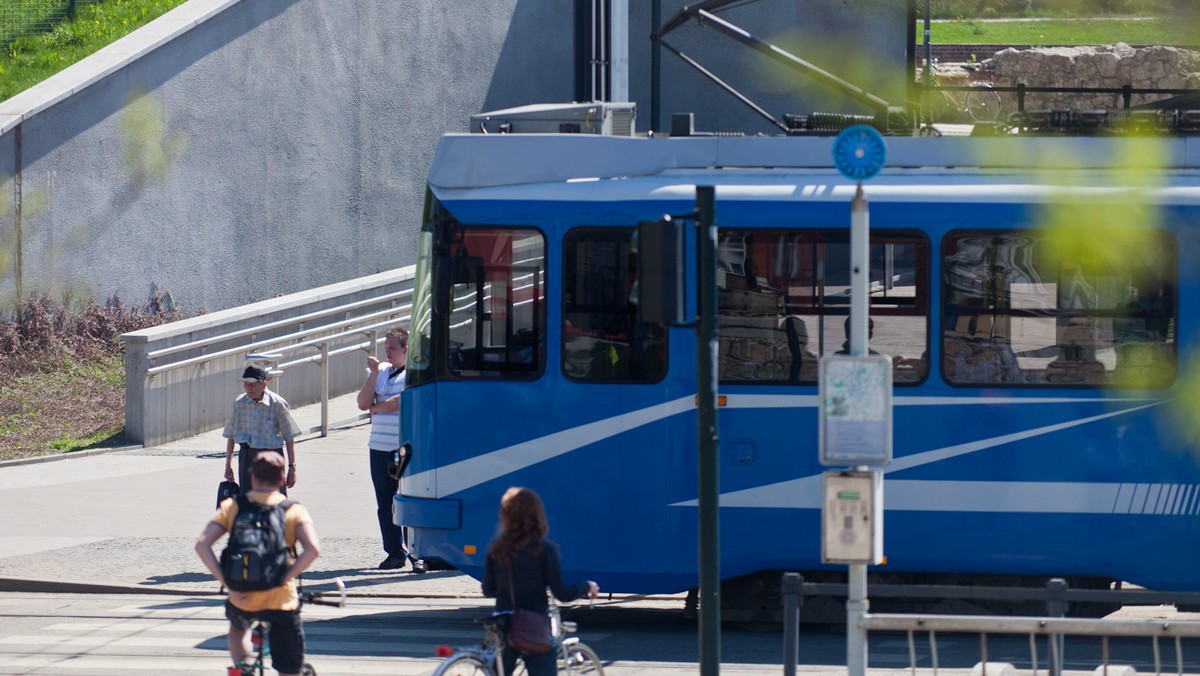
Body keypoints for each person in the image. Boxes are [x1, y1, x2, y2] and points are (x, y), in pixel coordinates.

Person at [196, 452, 321, 676]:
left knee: (238, 627)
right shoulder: (292, 509)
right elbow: (312, 549)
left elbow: (202, 545)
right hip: (281, 598)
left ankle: (242, 668)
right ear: (282, 479)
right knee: (289, 667)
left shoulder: (233, 506)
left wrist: (227, 582)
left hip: (242, 595)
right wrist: (285, 577)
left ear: (252, 477)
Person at [482, 487, 599, 676]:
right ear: (537, 515)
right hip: (532, 625)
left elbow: (488, 590)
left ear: (506, 515)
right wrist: (587, 586)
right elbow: (562, 594)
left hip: (502, 623)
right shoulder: (545, 550)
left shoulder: (495, 549)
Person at [355, 327, 420, 571]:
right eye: (386, 348)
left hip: (402, 446)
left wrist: (378, 406)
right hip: (378, 446)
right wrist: (373, 375)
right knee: (385, 502)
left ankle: (416, 552)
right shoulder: (380, 371)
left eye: (392, 348)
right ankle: (394, 552)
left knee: (407, 499)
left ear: (405, 349)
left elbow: (403, 401)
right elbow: (363, 402)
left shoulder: (414, 372)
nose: (388, 352)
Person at [223, 365, 302, 494]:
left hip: (272, 457)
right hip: (247, 457)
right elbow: (230, 436)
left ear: (263, 384)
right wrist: (228, 466)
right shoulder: (239, 404)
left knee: (274, 502)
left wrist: (292, 468)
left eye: (252, 384)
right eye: (246, 384)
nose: (249, 388)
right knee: (248, 503)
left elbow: (289, 437)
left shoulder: (277, 404)